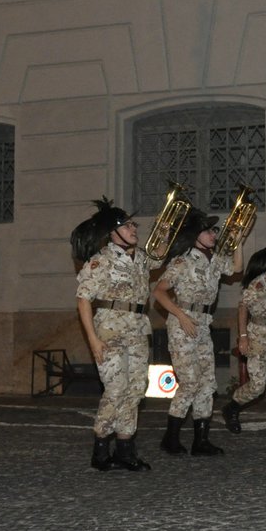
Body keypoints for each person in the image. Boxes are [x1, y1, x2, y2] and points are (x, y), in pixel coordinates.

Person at [151, 209, 242, 457]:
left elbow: (236, 267)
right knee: (189, 381)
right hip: (183, 322)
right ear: (195, 236)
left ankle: (201, 441)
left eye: (214, 230)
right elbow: (159, 292)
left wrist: (238, 241)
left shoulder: (213, 259)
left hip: (204, 322)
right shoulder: (183, 261)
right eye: (207, 230)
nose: (213, 234)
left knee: (207, 383)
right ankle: (170, 438)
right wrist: (180, 315)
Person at [72, 198, 152, 472]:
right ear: (112, 233)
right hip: (109, 330)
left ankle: (126, 449)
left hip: (139, 329)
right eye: (127, 225)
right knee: (116, 389)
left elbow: (163, 252)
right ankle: (101, 448)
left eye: (133, 224)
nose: (133, 228)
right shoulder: (100, 261)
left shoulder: (141, 257)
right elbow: (83, 300)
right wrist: (93, 340)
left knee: (136, 389)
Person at [223, 243, 266, 440]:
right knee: (257, 386)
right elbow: (243, 306)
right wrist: (243, 337)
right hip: (259, 335)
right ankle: (232, 407)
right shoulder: (262, 281)